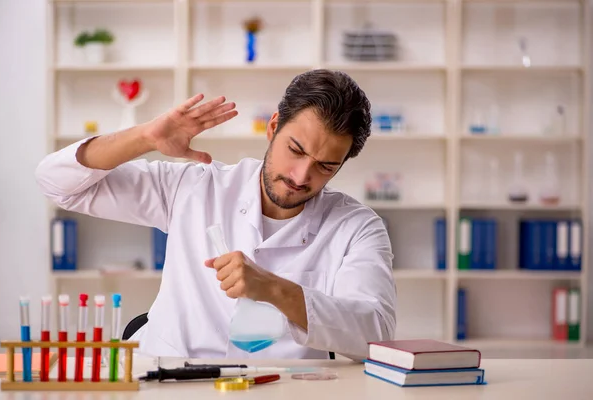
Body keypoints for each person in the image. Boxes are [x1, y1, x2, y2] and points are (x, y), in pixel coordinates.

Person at [35, 69, 397, 361]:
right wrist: (144, 138)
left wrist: (274, 290)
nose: (301, 176)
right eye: (296, 150)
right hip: (169, 376)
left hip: (282, 387)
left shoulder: (357, 227)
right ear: (273, 128)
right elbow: (57, 182)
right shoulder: (193, 187)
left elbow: (376, 333)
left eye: (325, 166)